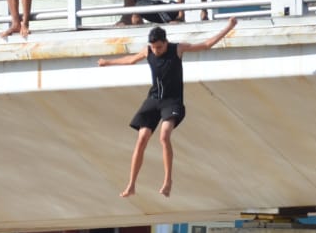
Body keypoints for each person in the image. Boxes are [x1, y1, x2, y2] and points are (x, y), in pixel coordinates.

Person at [98, 17, 237, 197]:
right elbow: (130, 60)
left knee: (164, 137)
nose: (156, 51)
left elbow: (206, 45)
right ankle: (131, 185)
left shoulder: (177, 49)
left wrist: (229, 27)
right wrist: (107, 63)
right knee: (142, 139)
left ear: (166, 42)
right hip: (154, 99)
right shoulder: (148, 51)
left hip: (172, 101)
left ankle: (168, 181)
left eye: (160, 47)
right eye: (154, 48)